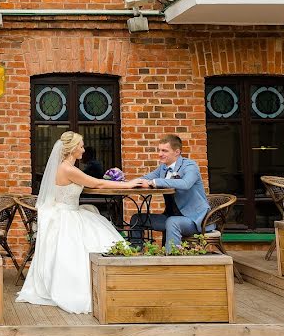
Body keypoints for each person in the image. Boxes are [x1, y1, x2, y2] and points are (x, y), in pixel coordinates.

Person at [17, 131, 141, 314]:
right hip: (68, 215)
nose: (83, 150)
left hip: (67, 211)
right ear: (74, 148)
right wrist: (128, 184)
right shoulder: (68, 169)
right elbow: (98, 184)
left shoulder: (66, 167)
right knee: (93, 242)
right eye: (81, 146)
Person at [129, 134, 210, 250]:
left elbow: (185, 184)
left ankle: (171, 259)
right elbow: (145, 178)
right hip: (170, 217)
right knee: (137, 219)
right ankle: (135, 253)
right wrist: (122, 182)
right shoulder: (163, 168)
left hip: (194, 219)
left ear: (177, 152)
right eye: (159, 150)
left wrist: (155, 182)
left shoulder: (190, 166)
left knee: (173, 222)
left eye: (164, 151)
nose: (160, 154)